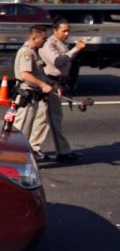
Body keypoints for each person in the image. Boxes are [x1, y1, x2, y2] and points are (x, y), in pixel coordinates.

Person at [39, 18, 85, 162]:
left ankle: (53, 150)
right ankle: (58, 151)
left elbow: (65, 61)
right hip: (50, 83)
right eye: (64, 31)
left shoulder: (60, 43)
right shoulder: (49, 44)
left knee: (48, 118)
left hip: (57, 83)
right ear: (55, 31)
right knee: (47, 119)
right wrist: (76, 49)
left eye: (68, 31)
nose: (67, 33)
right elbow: (58, 61)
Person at [12, 25, 53, 161]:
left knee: (24, 130)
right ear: (34, 38)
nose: (45, 41)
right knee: (19, 130)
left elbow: (37, 72)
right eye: (43, 38)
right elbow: (25, 75)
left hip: (32, 95)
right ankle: (11, 159)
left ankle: (20, 157)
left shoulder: (34, 52)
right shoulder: (27, 53)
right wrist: (43, 85)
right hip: (26, 96)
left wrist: (49, 83)